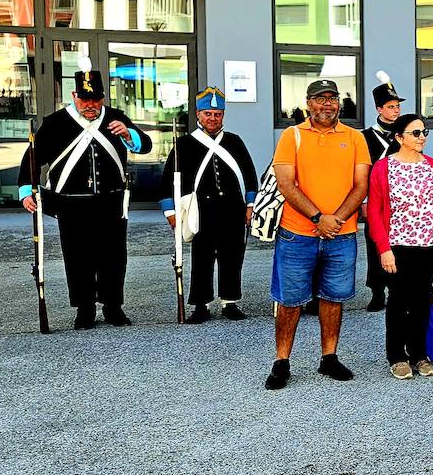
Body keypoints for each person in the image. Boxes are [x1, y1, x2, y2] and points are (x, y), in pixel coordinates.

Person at [20, 57, 152, 329]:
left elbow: (145, 146)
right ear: (74, 96)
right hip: (71, 204)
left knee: (114, 256)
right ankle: (85, 309)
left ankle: (113, 307)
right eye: (84, 100)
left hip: (111, 200)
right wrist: (26, 189)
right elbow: (32, 157)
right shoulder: (56, 123)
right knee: (77, 256)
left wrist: (129, 135)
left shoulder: (116, 118)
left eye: (96, 100)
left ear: (102, 97)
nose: (91, 106)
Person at [264, 78, 371, 391]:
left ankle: (329, 356)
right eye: (320, 99)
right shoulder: (292, 136)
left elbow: (361, 185)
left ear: (339, 103)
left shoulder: (354, 138)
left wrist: (335, 220)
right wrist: (317, 217)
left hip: (342, 233)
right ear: (308, 104)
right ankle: (282, 360)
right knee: (290, 300)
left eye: (332, 99)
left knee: (333, 297)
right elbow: (285, 183)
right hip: (297, 234)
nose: (327, 105)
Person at [159, 86, 259, 323]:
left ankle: (230, 301)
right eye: (208, 114)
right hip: (200, 211)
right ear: (198, 115)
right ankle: (200, 304)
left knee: (233, 256)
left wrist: (250, 205)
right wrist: (171, 212)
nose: (213, 119)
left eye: (217, 114)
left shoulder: (234, 142)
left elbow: (249, 175)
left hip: (232, 209)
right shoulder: (185, 144)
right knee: (201, 258)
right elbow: (167, 182)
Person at [366, 114, 433, 380]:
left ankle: (419, 353)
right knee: (399, 300)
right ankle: (397, 355)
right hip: (398, 245)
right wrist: (383, 248)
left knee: (422, 300)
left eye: (424, 131)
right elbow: (376, 212)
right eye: (415, 133)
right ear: (399, 137)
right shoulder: (383, 168)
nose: (422, 136)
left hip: (429, 243)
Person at [360, 71, 403, 311]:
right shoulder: (365, 137)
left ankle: (395, 287)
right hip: (375, 198)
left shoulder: (404, 135)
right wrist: (364, 200)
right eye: (390, 106)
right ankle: (377, 291)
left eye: (397, 106)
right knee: (375, 243)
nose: (395, 111)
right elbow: (363, 171)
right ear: (379, 109)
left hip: (400, 199)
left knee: (398, 245)